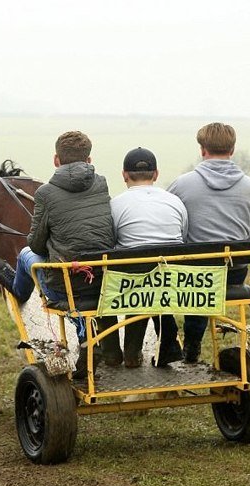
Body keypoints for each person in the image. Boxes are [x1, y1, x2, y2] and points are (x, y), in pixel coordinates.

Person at [0, 130, 118, 378]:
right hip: (104, 282)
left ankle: (18, 289)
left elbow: (37, 245)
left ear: (56, 160)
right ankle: (87, 343)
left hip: (65, 285)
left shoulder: (45, 193)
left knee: (26, 254)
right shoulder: (101, 183)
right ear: (89, 160)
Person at [167, 123, 250, 363]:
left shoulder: (181, 185)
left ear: (202, 149)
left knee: (197, 275)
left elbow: (170, 229)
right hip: (235, 274)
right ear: (232, 149)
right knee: (207, 276)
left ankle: (189, 344)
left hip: (193, 277)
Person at [110, 147, 189, 367]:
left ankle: (132, 353)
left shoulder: (116, 204)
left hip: (134, 283)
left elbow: (113, 241)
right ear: (156, 174)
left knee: (139, 277)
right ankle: (167, 340)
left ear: (124, 175)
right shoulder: (175, 202)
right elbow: (182, 237)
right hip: (173, 280)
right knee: (154, 276)